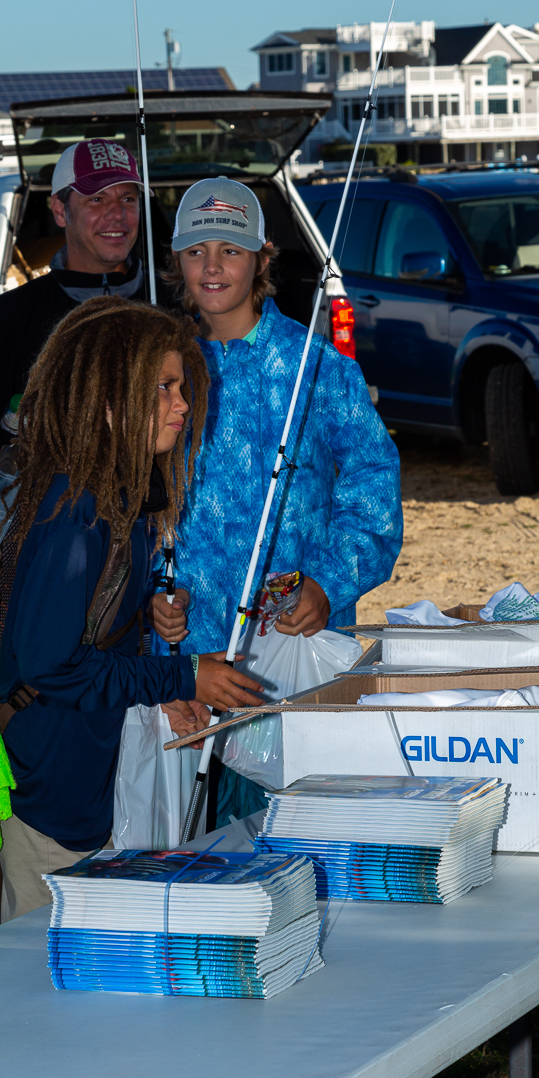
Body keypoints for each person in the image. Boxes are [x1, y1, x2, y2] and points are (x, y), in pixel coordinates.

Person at [0, 296, 265, 920]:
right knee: (39, 961)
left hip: (83, 778)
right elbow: (50, 664)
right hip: (48, 791)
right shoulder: (77, 513)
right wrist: (181, 676)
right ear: (109, 400)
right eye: (163, 388)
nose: (182, 404)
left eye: (182, 387)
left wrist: (148, 646)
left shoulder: (119, 498)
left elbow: (91, 640)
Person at [154, 177, 404, 823]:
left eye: (230, 251)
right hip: (183, 672)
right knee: (189, 849)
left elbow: (373, 489)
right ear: (176, 260)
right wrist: (151, 597)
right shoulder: (156, 372)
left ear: (262, 258)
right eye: (196, 250)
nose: (212, 267)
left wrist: (327, 581)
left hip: (292, 662)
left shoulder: (319, 367)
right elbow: (129, 506)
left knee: (294, 836)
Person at [0, 138, 156, 475]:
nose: (117, 214)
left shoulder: (172, 306)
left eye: (128, 198)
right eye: (97, 199)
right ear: (59, 209)